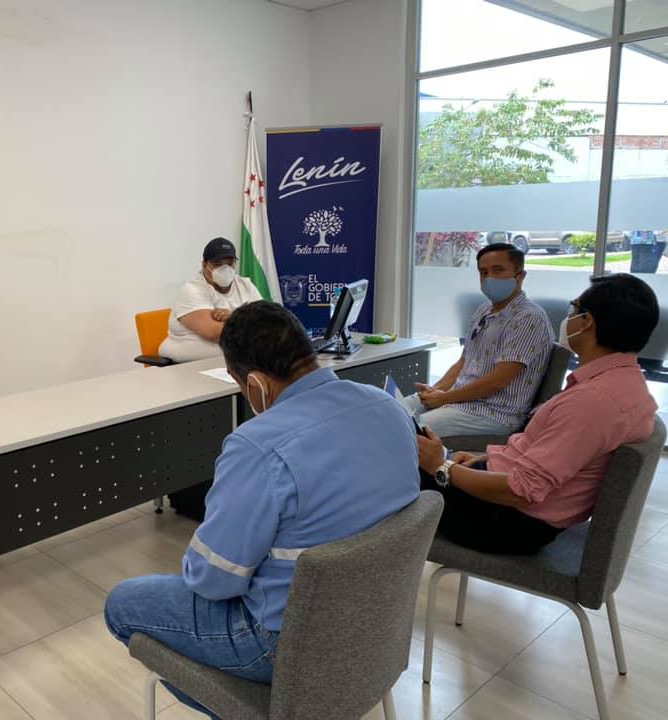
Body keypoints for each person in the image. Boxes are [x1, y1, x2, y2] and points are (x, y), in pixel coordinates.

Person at [105, 301, 420, 718]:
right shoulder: (389, 408)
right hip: (379, 623)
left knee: (122, 603)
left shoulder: (257, 446)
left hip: (283, 643)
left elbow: (213, 579)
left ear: (254, 384)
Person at [417, 274, 659, 555]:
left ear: (587, 322)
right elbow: (545, 459)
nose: (568, 318)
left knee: (397, 459)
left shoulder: (594, 402)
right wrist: (482, 461)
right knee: (410, 448)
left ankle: (387, 563)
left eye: (573, 309)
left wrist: (444, 468)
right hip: (506, 500)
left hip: (502, 521)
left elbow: (521, 491)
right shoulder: (624, 384)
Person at [404, 243, 554, 438]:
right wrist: (436, 390)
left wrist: (444, 398)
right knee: (392, 409)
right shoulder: (484, 310)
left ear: (520, 276)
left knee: (407, 430)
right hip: (460, 400)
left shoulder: (528, 318)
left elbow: (498, 381)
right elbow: (464, 361)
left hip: (494, 413)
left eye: (498, 270)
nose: (489, 278)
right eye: (483, 272)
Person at [158, 237, 263, 363]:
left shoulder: (245, 285)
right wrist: (249, 321)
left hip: (234, 362)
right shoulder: (192, 290)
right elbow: (215, 333)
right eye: (217, 264)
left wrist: (233, 316)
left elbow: (268, 324)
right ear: (204, 265)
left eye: (229, 264)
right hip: (187, 365)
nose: (225, 269)